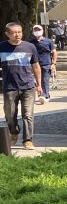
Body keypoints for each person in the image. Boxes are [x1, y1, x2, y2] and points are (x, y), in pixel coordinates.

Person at [1, 22, 43, 150]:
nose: (17, 35)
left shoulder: (30, 47)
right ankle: (13, 132)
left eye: (19, 32)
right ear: (7, 34)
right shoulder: (1, 47)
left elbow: (36, 66)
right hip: (9, 87)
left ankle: (28, 140)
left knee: (28, 114)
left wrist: (39, 85)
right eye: (13, 32)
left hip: (28, 86)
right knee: (9, 114)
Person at [30, 25, 56, 103]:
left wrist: (53, 64)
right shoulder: (30, 42)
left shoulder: (48, 41)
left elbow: (54, 52)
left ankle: (45, 95)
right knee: (35, 81)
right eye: (35, 29)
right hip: (34, 65)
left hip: (46, 64)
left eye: (38, 29)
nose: (37, 31)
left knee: (44, 80)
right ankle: (39, 94)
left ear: (42, 31)